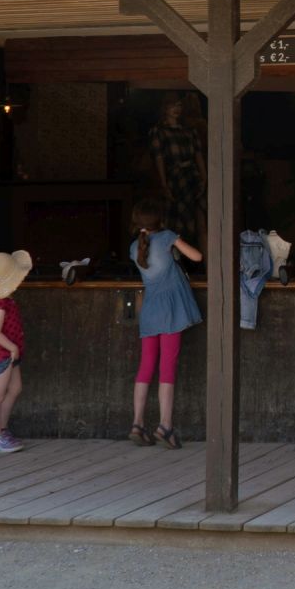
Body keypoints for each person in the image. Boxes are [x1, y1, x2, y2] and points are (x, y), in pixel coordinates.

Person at [127, 198, 203, 449]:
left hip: (149, 310)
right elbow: (197, 256)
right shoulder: (168, 237)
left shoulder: (133, 248)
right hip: (171, 311)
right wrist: (174, 246)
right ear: (159, 219)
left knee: (146, 365)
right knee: (167, 366)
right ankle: (165, 425)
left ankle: (137, 423)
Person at [0, 249, 32, 454]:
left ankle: (0, 427)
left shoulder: (7, 301)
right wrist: (12, 348)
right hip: (3, 354)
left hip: (11, 354)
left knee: (15, 388)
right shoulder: (0, 304)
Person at [151, 96, 206, 246]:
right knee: (174, 222)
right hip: (174, 177)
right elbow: (159, 158)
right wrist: (164, 184)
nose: (176, 109)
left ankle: (205, 262)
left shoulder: (189, 130)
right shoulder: (159, 131)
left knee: (200, 217)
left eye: (179, 105)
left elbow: (198, 155)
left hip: (192, 176)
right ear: (165, 108)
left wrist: (204, 178)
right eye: (172, 105)